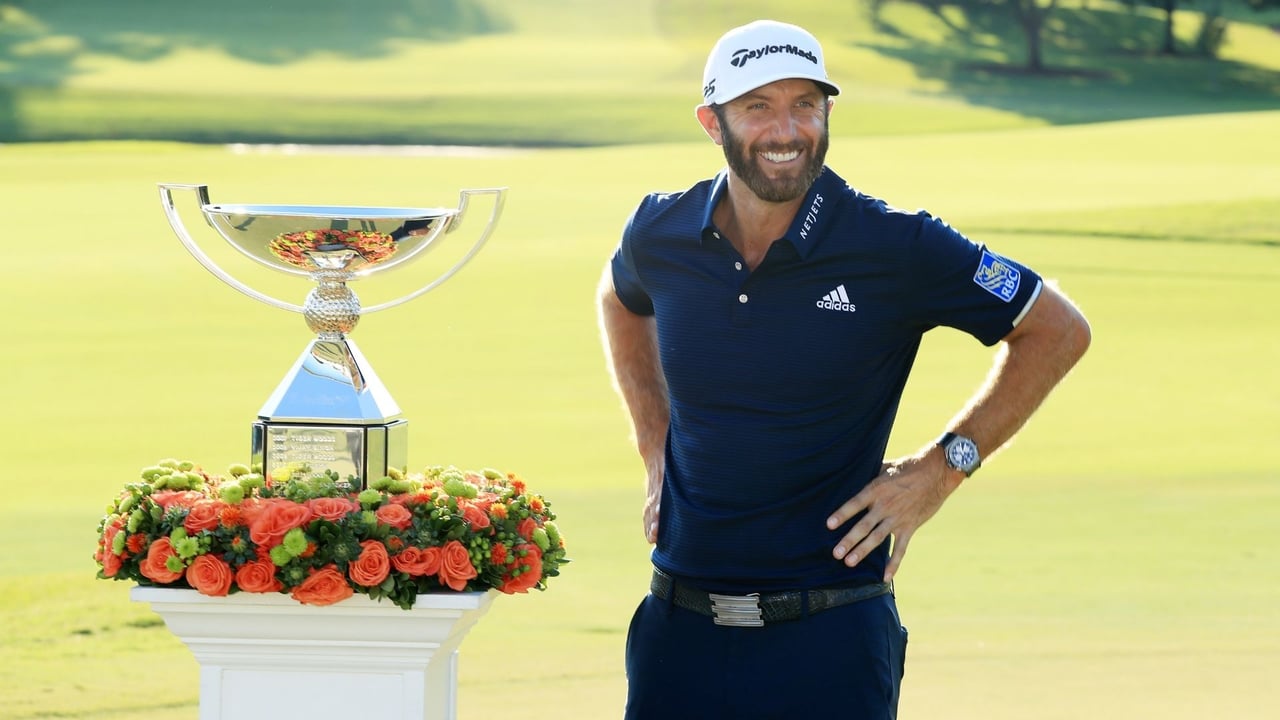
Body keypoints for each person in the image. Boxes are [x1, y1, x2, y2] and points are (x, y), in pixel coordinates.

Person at [596, 19, 1091, 720]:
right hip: (677, 631)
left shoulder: (898, 244)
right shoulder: (659, 230)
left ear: (829, 111)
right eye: (758, 106)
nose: (787, 129)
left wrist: (943, 468)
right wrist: (655, 446)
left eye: (806, 103)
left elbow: (1057, 329)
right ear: (713, 122)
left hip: (830, 636)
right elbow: (621, 298)